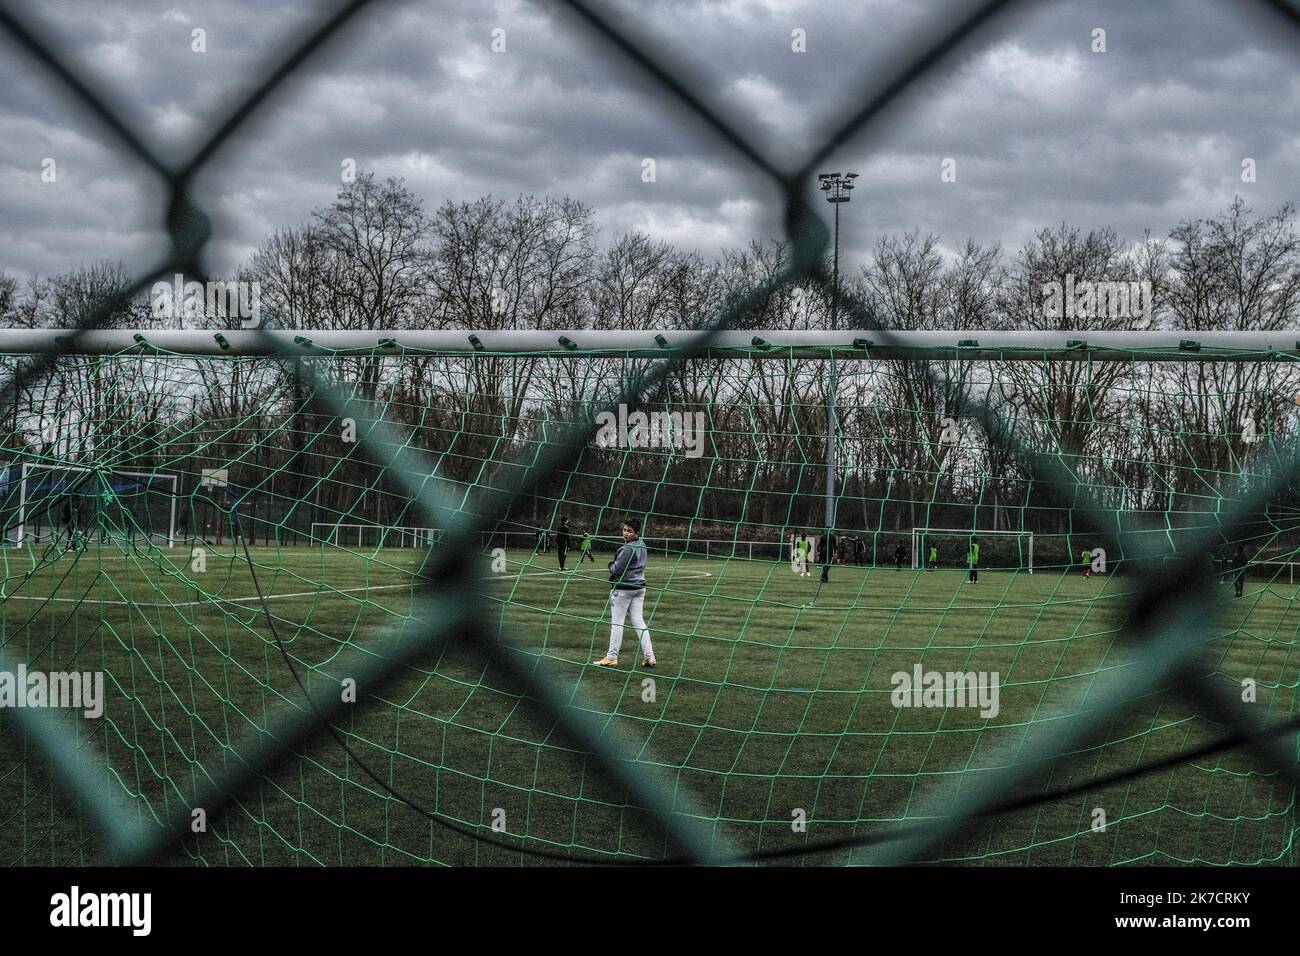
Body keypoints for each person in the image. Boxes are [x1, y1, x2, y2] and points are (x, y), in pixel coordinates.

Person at [593, 516, 655, 668]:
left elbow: (617, 568)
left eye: (630, 531)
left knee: (617, 623)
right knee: (639, 622)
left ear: (637, 533)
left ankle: (612, 657)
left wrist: (610, 565)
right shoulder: (642, 545)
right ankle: (649, 657)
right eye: (624, 530)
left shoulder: (627, 548)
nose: (626, 533)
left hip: (624, 588)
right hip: (640, 587)